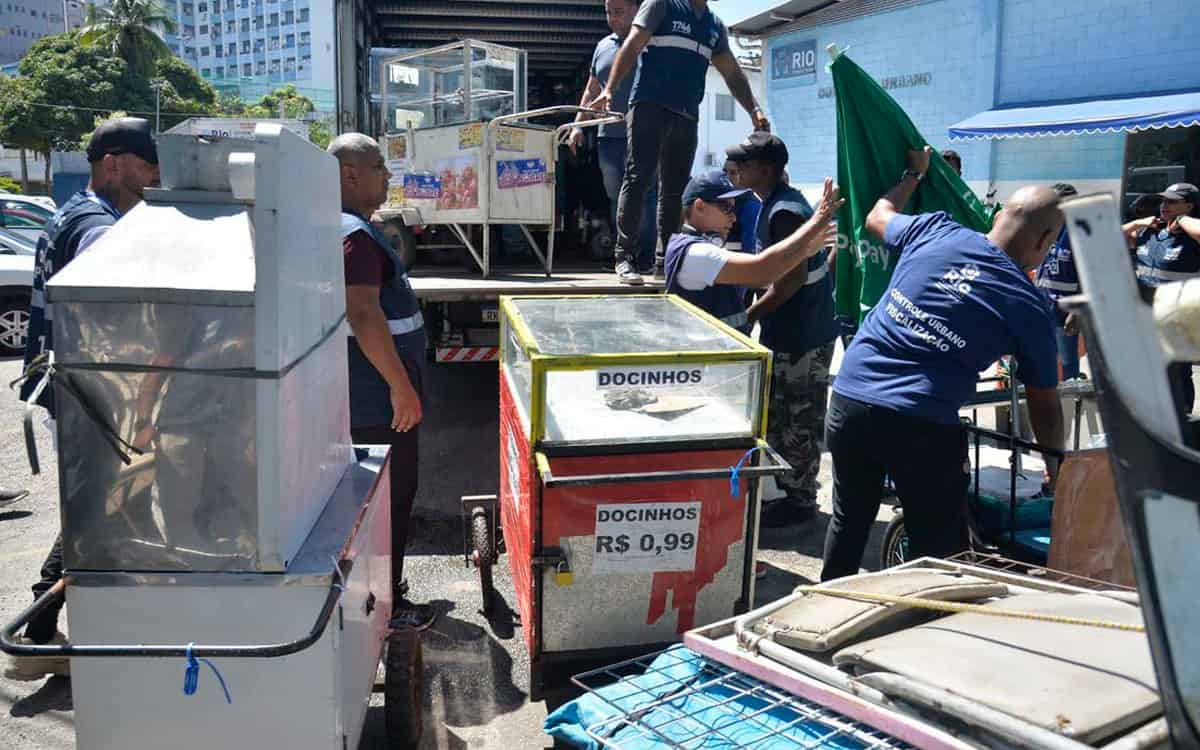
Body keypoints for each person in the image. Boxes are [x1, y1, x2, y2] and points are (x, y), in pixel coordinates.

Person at [821, 147, 1065, 582]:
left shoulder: (935, 230)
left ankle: (819, 614)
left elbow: (878, 215)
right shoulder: (1028, 306)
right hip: (919, 423)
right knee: (939, 548)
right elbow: (1044, 402)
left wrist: (912, 176)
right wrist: (1056, 466)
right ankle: (927, 628)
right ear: (1045, 241)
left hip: (850, 398)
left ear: (998, 217)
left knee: (849, 518)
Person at [6, 117, 160, 682]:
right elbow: (115, 302)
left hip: (80, 391)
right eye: (147, 167)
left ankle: (47, 629)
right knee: (96, 513)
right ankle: (36, 635)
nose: (153, 179)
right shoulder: (98, 225)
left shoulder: (75, 213)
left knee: (100, 509)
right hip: (89, 395)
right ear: (114, 162)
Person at [328, 133, 435, 631]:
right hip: (379, 401)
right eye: (378, 167)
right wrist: (401, 386)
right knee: (387, 502)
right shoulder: (354, 235)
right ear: (350, 174)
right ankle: (385, 608)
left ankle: (384, 593)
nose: (387, 176)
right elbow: (365, 315)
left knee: (387, 498)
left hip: (376, 395)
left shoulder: (355, 230)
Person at [590, 0, 770, 285]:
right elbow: (633, 45)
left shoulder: (714, 25)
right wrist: (609, 89)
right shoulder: (661, 4)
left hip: (687, 115)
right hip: (649, 106)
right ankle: (624, 257)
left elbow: (732, 73)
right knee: (639, 178)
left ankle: (666, 261)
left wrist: (753, 109)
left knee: (674, 191)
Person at [727, 133, 835, 527]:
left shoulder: (784, 211)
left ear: (767, 170)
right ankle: (786, 491)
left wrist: (748, 316)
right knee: (781, 416)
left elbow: (789, 282)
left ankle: (800, 499)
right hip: (790, 330)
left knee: (799, 419)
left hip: (804, 334)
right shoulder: (770, 204)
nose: (736, 170)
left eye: (744, 163)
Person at [664, 170, 840, 334]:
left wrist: (804, 251)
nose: (733, 217)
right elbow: (763, 272)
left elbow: (765, 275)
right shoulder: (696, 253)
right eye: (726, 208)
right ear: (699, 206)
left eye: (734, 209)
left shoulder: (695, 249)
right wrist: (815, 222)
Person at [569, 0, 658, 274]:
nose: (612, 18)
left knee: (645, 195)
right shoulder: (603, 46)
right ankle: (624, 258)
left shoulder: (652, 41)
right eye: (608, 12)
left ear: (635, 10)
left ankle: (646, 259)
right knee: (615, 196)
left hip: (644, 135)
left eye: (618, 12)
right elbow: (591, 89)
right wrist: (577, 126)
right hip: (609, 137)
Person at [1122, 182, 1200, 414]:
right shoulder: (1150, 232)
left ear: (1190, 205)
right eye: (1163, 201)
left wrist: (1183, 220)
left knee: (1176, 373)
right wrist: (1137, 223)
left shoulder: (1190, 236)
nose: (1164, 206)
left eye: (1173, 202)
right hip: (1145, 315)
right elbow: (1105, 237)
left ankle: (1182, 419)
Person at [1035, 183, 1084, 380]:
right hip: (1041, 304)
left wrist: (1076, 311)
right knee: (1038, 356)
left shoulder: (1079, 234)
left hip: (1065, 309)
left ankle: (1071, 402)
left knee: (1067, 361)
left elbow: (1089, 276)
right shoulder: (1045, 228)